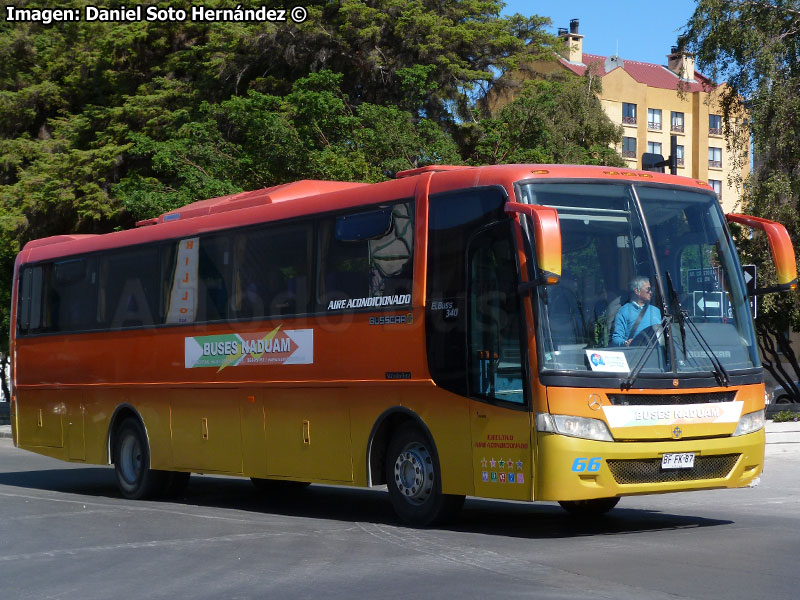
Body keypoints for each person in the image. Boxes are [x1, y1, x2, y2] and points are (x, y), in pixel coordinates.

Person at [611, 276, 661, 347]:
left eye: (651, 289)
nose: (651, 292)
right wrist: (625, 343)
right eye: (648, 289)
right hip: (636, 355)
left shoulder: (655, 311)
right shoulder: (624, 311)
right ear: (637, 291)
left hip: (657, 354)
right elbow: (616, 338)